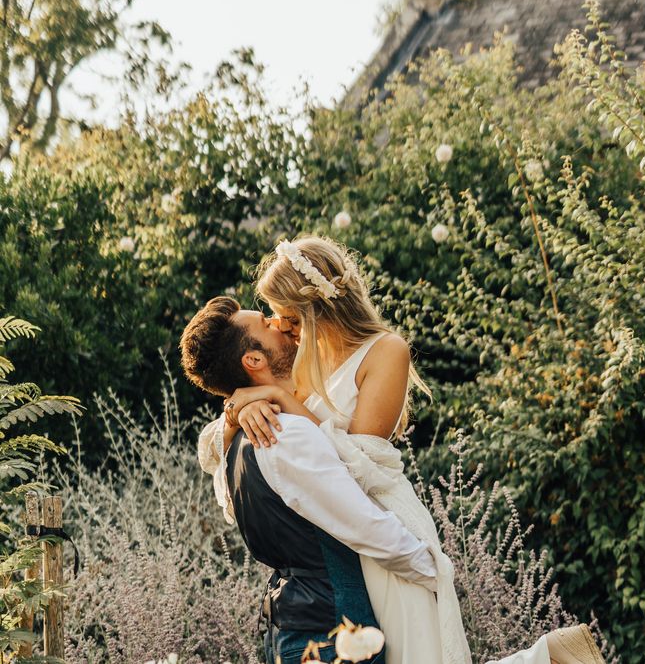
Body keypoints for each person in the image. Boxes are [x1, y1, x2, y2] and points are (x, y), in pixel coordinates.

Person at [193, 236, 606, 664]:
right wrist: (237, 412)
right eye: (272, 319)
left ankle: (547, 656)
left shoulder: (385, 351)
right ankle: (549, 656)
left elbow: (358, 463)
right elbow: (246, 462)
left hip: (380, 522)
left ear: (311, 308)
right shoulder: (300, 360)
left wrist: (284, 403)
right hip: (344, 541)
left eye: (281, 315)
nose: (278, 327)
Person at [180, 298, 438, 664]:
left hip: (288, 630)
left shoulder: (236, 444)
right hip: (331, 631)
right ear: (254, 360)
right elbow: (362, 522)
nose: (280, 323)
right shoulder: (285, 434)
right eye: (266, 324)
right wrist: (433, 570)